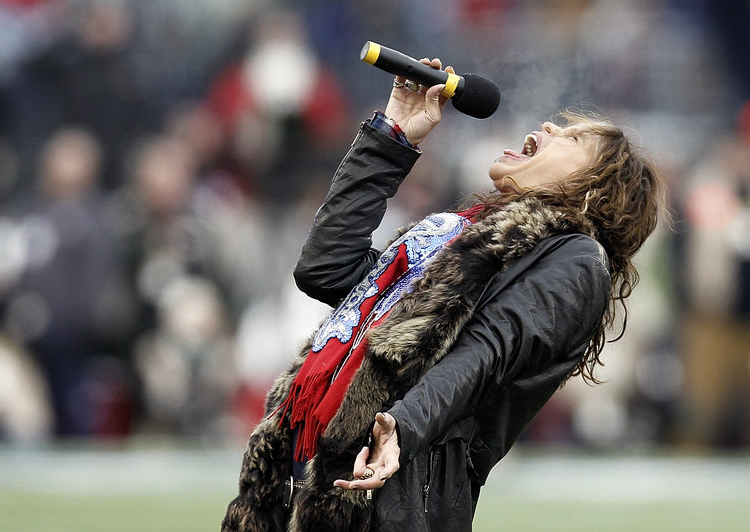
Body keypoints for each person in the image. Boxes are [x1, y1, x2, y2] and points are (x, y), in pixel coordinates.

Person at [222, 59, 664, 531]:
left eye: (574, 139)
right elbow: (326, 271)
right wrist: (394, 137)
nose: (551, 126)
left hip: (387, 488)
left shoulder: (575, 260)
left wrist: (403, 427)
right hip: (299, 469)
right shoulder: (460, 232)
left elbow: (485, 352)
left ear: (593, 190)